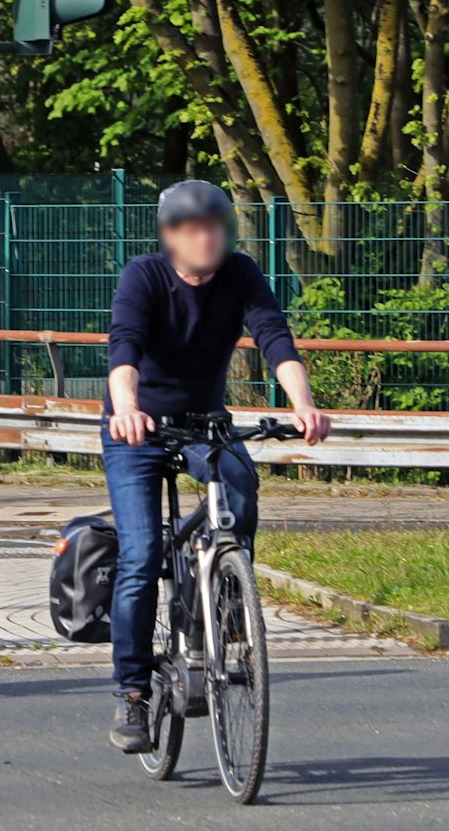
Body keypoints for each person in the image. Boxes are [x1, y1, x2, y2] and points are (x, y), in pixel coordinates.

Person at [101, 180, 331, 753]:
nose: (208, 238)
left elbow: (275, 339)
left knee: (239, 483)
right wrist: (127, 409)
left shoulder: (240, 274)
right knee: (140, 557)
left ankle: (226, 601)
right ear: (172, 235)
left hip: (205, 420)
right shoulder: (144, 276)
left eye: (215, 227)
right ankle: (132, 694)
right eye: (194, 228)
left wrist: (302, 403)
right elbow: (124, 348)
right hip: (139, 427)